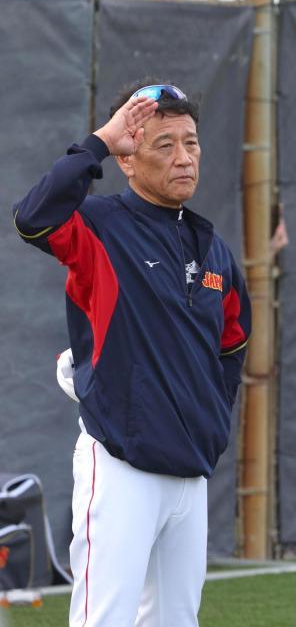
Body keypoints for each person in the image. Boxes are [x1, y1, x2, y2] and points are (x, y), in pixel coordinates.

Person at [13, 80, 251, 627]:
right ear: (129, 159)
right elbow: (33, 217)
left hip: (190, 473)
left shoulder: (214, 247)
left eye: (190, 143)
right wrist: (98, 142)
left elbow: (233, 342)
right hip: (120, 466)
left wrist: (210, 423)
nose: (184, 158)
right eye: (163, 145)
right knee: (106, 619)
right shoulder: (100, 225)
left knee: (176, 621)